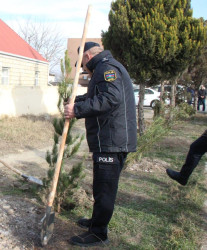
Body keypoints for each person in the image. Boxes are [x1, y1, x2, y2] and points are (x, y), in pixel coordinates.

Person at [64, 42, 137, 247]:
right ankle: (96, 222)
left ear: (87, 56)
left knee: (104, 189)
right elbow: (95, 96)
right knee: (101, 186)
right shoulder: (105, 67)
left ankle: (98, 233)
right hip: (110, 140)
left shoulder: (107, 69)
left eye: (82, 63)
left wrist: (76, 111)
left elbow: (110, 98)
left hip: (111, 142)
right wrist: (75, 101)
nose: (83, 68)